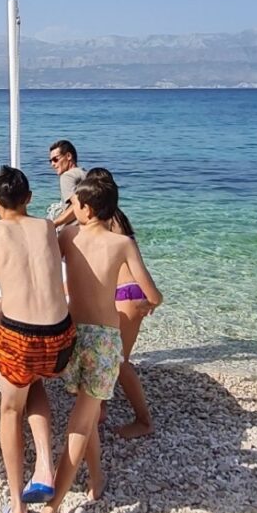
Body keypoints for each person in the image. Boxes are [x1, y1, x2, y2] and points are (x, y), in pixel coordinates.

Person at [39, 174, 162, 513]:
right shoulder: (122, 243)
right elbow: (152, 294)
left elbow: (42, 262)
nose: (70, 209)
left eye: (74, 204)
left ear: (87, 210)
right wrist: (150, 305)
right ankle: (51, 512)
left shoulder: (67, 237)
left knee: (87, 413)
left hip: (72, 335)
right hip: (104, 341)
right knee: (81, 421)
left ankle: (95, 480)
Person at [0, 166, 76, 513]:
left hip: (22, 341)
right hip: (61, 339)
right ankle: (45, 467)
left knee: (10, 409)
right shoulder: (47, 227)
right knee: (35, 382)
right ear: (29, 198)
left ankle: (18, 508)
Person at [85, 168, 156, 439]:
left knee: (119, 361)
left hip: (126, 294)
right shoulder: (117, 216)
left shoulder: (108, 220)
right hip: (129, 292)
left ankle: (144, 421)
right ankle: (100, 407)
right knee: (110, 356)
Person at [48, 140, 86, 228]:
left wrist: (54, 224)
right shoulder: (86, 174)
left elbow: (77, 205)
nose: (52, 164)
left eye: (55, 159)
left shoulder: (67, 176)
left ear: (68, 156)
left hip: (72, 230)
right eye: (50, 161)